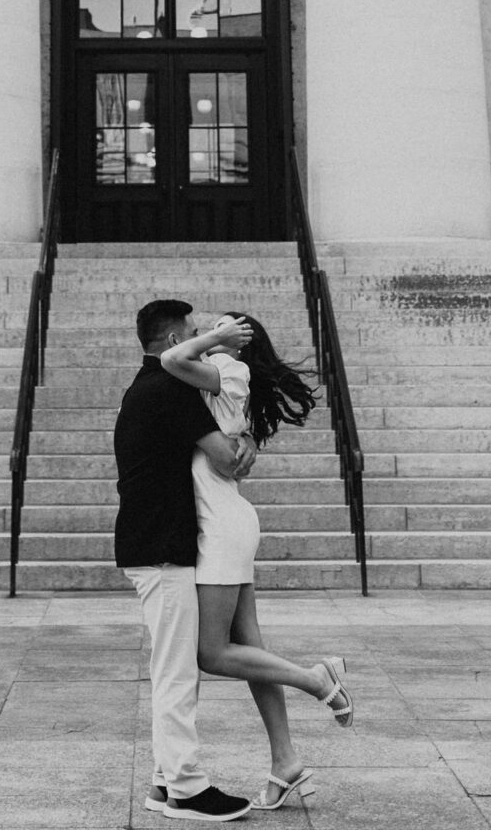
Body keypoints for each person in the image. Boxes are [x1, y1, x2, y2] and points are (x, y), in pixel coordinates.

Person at [161, 311, 354, 810]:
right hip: (226, 519)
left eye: (226, 328)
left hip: (220, 527)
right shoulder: (220, 378)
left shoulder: (229, 368)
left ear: (239, 344)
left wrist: (216, 340)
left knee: (211, 652)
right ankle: (285, 760)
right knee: (251, 651)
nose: (212, 332)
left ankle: (317, 679)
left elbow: (169, 356)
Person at [114, 299, 258, 822]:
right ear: (175, 340)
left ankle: (161, 781)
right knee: (176, 673)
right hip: (162, 547)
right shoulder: (169, 390)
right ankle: (187, 787)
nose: (204, 339)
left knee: (172, 669)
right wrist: (241, 445)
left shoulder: (145, 386)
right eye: (195, 333)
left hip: (153, 542)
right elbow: (226, 458)